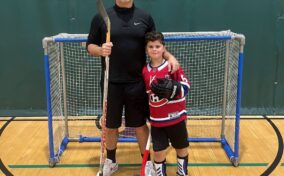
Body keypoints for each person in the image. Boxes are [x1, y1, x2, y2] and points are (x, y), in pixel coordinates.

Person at [86, 0, 179, 175]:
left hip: (137, 82)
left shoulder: (144, 17)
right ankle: (111, 162)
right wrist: (100, 50)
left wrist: (170, 57)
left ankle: (147, 163)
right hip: (111, 82)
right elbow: (89, 45)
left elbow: (155, 45)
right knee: (111, 125)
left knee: (139, 124)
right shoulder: (101, 17)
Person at [142, 31, 190, 176]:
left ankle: (182, 172)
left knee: (181, 148)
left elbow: (186, 86)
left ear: (164, 48)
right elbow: (147, 95)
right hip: (157, 121)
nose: (154, 49)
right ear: (146, 49)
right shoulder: (145, 71)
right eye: (151, 46)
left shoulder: (172, 66)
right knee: (158, 152)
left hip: (176, 118)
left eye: (158, 46)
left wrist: (175, 90)